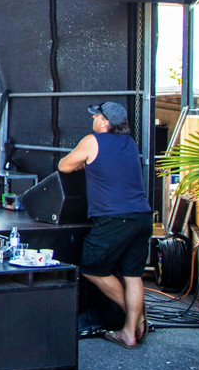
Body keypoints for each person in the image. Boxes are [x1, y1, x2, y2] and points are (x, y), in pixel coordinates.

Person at [58, 101, 152, 350]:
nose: (93, 119)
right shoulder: (130, 143)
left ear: (105, 122)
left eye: (97, 116)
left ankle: (136, 318)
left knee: (93, 268)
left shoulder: (92, 141)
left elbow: (64, 165)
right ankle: (129, 332)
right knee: (133, 275)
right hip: (142, 217)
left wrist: (84, 161)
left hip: (115, 219)